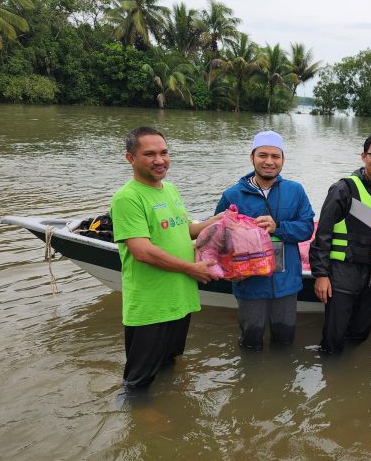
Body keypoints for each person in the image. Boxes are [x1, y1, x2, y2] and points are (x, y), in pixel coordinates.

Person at [111, 126, 221, 388]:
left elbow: (185, 231)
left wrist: (217, 220)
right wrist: (191, 269)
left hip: (179, 300)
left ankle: (170, 412)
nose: (159, 160)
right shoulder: (128, 198)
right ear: (131, 158)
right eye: (149, 154)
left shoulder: (169, 190)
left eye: (164, 152)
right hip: (152, 305)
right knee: (137, 381)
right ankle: (140, 421)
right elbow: (142, 251)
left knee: (169, 365)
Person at [214, 130, 314, 350]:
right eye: (263, 155)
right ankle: (252, 378)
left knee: (285, 338)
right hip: (249, 281)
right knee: (251, 339)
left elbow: (307, 228)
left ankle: (282, 377)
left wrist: (278, 227)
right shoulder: (233, 194)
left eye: (275, 156)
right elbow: (218, 236)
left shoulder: (295, 191)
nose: (269, 161)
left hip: (286, 280)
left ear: (283, 160)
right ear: (252, 157)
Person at [309, 133, 371, 353]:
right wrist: (321, 275)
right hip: (343, 274)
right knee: (334, 338)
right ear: (363, 156)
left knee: (360, 333)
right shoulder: (343, 189)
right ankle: (332, 376)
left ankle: (352, 372)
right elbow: (322, 234)